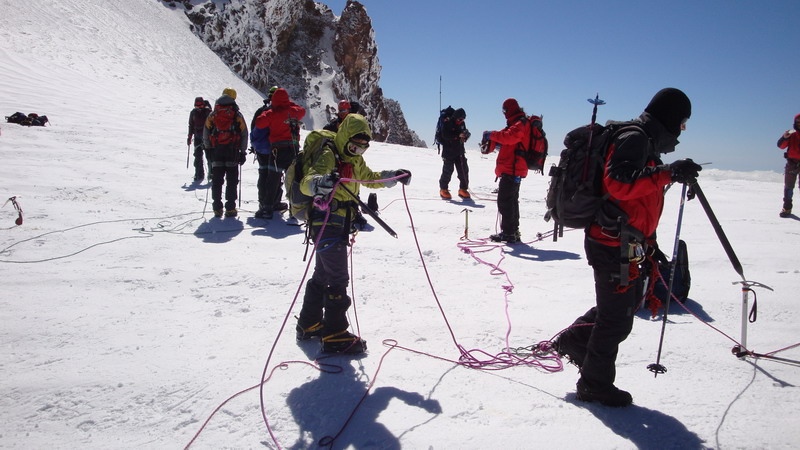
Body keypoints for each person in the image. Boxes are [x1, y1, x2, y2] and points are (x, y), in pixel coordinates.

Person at [552, 88, 701, 407]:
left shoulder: (645, 141)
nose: (682, 130)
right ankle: (594, 385)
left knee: (626, 304)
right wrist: (668, 172)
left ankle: (575, 340)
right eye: (682, 122)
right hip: (611, 243)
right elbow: (619, 184)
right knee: (616, 319)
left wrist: (650, 242)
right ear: (671, 117)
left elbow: (639, 199)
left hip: (627, 241)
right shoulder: (634, 137)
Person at [294, 114, 412, 354]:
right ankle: (334, 334)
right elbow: (307, 182)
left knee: (323, 274)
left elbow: (369, 178)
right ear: (345, 138)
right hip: (326, 222)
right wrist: (322, 182)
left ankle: (309, 324)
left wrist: (394, 176)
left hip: (340, 223)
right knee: (337, 278)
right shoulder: (329, 154)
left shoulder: (355, 160)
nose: (358, 151)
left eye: (363, 147)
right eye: (354, 146)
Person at [481, 98, 533, 243]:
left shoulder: (520, 123)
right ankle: (513, 232)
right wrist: (490, 141)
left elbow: (509, 138)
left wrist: (491, 134)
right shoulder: (515, 123)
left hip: (513, 168)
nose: (504, 113)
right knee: (511, 201)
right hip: (512, 168)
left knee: (505, 202)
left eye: (505, 110)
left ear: (510, 109)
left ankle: (509, 233)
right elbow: (505, 137)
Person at [252, 88, 306, 219]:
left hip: (277, 151)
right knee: (292, 180)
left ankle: (267, 208)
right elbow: (302, 111)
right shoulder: (294, 111)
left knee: (272, 179)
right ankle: (294, 209)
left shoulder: (271, 113)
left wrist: (273, 108)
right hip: (292, 149)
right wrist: (289, 105)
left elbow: (259, 122)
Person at [203, 88, 249, 218]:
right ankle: (230, 208)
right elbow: (244, 134)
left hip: (216, 150)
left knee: (217, 180)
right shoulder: (237, 115)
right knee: (232, 181)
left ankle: (217, 208)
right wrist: (243, 152)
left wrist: (208, 149)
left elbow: (206, 132)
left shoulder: (213, 114)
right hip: (232, 151)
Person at [250, 86, 279, 218]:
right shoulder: (279, 112)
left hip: (261, 149)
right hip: (276, 149)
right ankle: (273, 202)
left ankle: (263, 203)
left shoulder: (261, 111)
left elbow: (253, 128)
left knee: (263, 174)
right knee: (275, 176)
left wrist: (254, 146)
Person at [438, 107, 471, 199]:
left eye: (463, 119)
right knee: (448, 171)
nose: (462, 121)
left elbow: (463, 133)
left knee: (463, 170)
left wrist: (465, 136)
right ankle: (443, 189)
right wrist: (457, 135)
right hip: (448, 152)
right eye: (460, 119)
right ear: (455, 117)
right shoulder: (448, 122)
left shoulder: (462, 124)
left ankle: (463, 189)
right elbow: (445, 135)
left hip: (459, 151)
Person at [777, 114, 800, 218]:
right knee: (789, 186)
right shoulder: (791, 134)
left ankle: (787, 209)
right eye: (798, 122)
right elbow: (781, 146)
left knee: (789, 187)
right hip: (792, 163)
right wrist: (785, 138)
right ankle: (787, 208)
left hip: (792, 163)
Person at [187, 96, 212, 181]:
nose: (198, 108)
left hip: (207, 138)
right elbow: (191, 125)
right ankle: (199, 174)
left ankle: (211, 173)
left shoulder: (208, 112)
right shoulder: (194, 113)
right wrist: (189, 136)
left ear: (203, 105)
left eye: (200, 106)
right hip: (199, 137)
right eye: (196, 106)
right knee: (198, 156)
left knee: (209, 156)